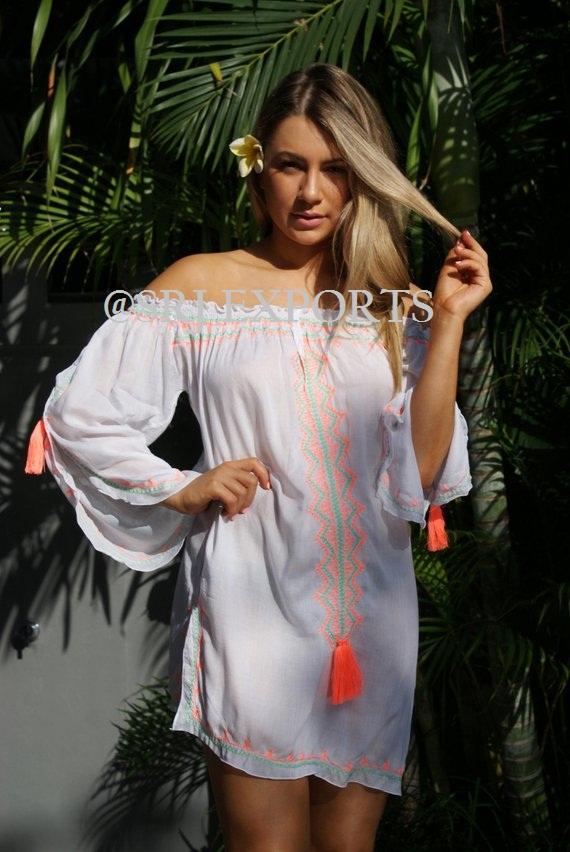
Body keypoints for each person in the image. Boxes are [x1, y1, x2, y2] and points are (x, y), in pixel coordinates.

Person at [25, 63, 492, 852]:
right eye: (289, 165)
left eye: (335, 168)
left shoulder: (395, 307)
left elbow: (421, 475)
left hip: (372, 620)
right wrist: (181, 486)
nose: (310, 192)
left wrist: (446, 322)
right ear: (258, 170)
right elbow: (81, 415)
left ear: (363, 178)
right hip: (251, 608)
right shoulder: (203, 287)